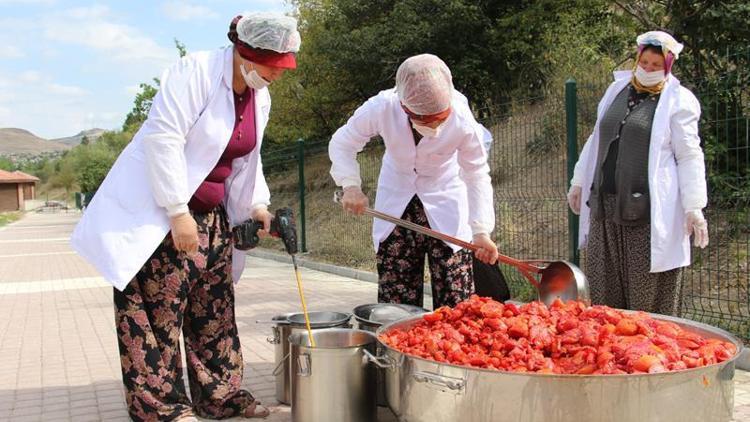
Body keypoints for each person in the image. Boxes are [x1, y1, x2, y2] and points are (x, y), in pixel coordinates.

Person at [71, 12, 301, 421]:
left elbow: (248, 158)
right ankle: (162, 409)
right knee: (157, 317)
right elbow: (164, 138)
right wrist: (178, 212)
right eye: (273, 66)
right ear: (247, 54)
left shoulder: (257, 94)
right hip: (161, 216)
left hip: (212, 220)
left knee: (213, 311)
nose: (277, 75)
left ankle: (220, 396)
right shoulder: (194, 72)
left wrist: (257, 207)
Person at [329, 54, 499, 309]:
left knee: (457, 301)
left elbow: (476, 174)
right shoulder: (383, 106)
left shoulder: (463, 120)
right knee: (395, 302)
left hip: (447, 201)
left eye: (440, 118)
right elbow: (343, 142)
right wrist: (351, 185)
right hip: (396, 200)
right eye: (425, 120)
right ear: (405, 108)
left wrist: (481, 230)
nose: (435, 125)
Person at [567, 31, 709, 316]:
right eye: (644, 62)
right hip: (605, 207)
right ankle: (608, 351)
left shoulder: (678, 101)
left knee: (646, 295)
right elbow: (596, 138)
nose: (647, 69)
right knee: (604, 290)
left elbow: (689, 154)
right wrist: (579, 181)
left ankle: (647, 352)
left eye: (656, 65)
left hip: (645, 212)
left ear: (668, 66)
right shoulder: (616, 91)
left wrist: (694, 206)